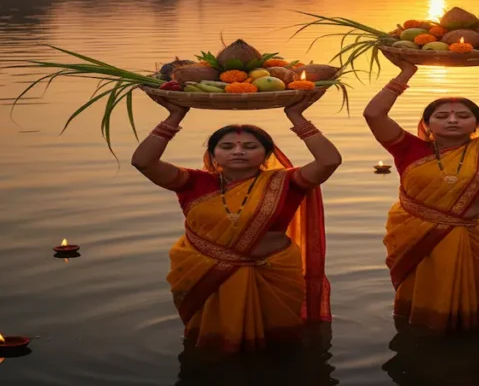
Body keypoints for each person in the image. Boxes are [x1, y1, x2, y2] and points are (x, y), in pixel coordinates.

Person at [130, 95, 339, 352]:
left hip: (272, 275)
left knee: (280, 348)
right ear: (213, 154)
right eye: (227, 146)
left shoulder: (288, 182)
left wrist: (297, 117)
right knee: (213, 348)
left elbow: (329, 161)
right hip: (207, 276)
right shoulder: (193, 182)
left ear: (266, 154)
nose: (238, 151)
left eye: (250, 147)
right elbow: (143, 162)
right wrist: (175, 116)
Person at [363, 54, 479, 332]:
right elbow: (374, 114)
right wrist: (406, 72)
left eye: (463, 116)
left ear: (477, 124)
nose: (452, 120)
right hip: (419, 235)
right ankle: (422, 331)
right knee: (424, 295)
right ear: (427, 125)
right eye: (442, 116)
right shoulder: (408, 148)